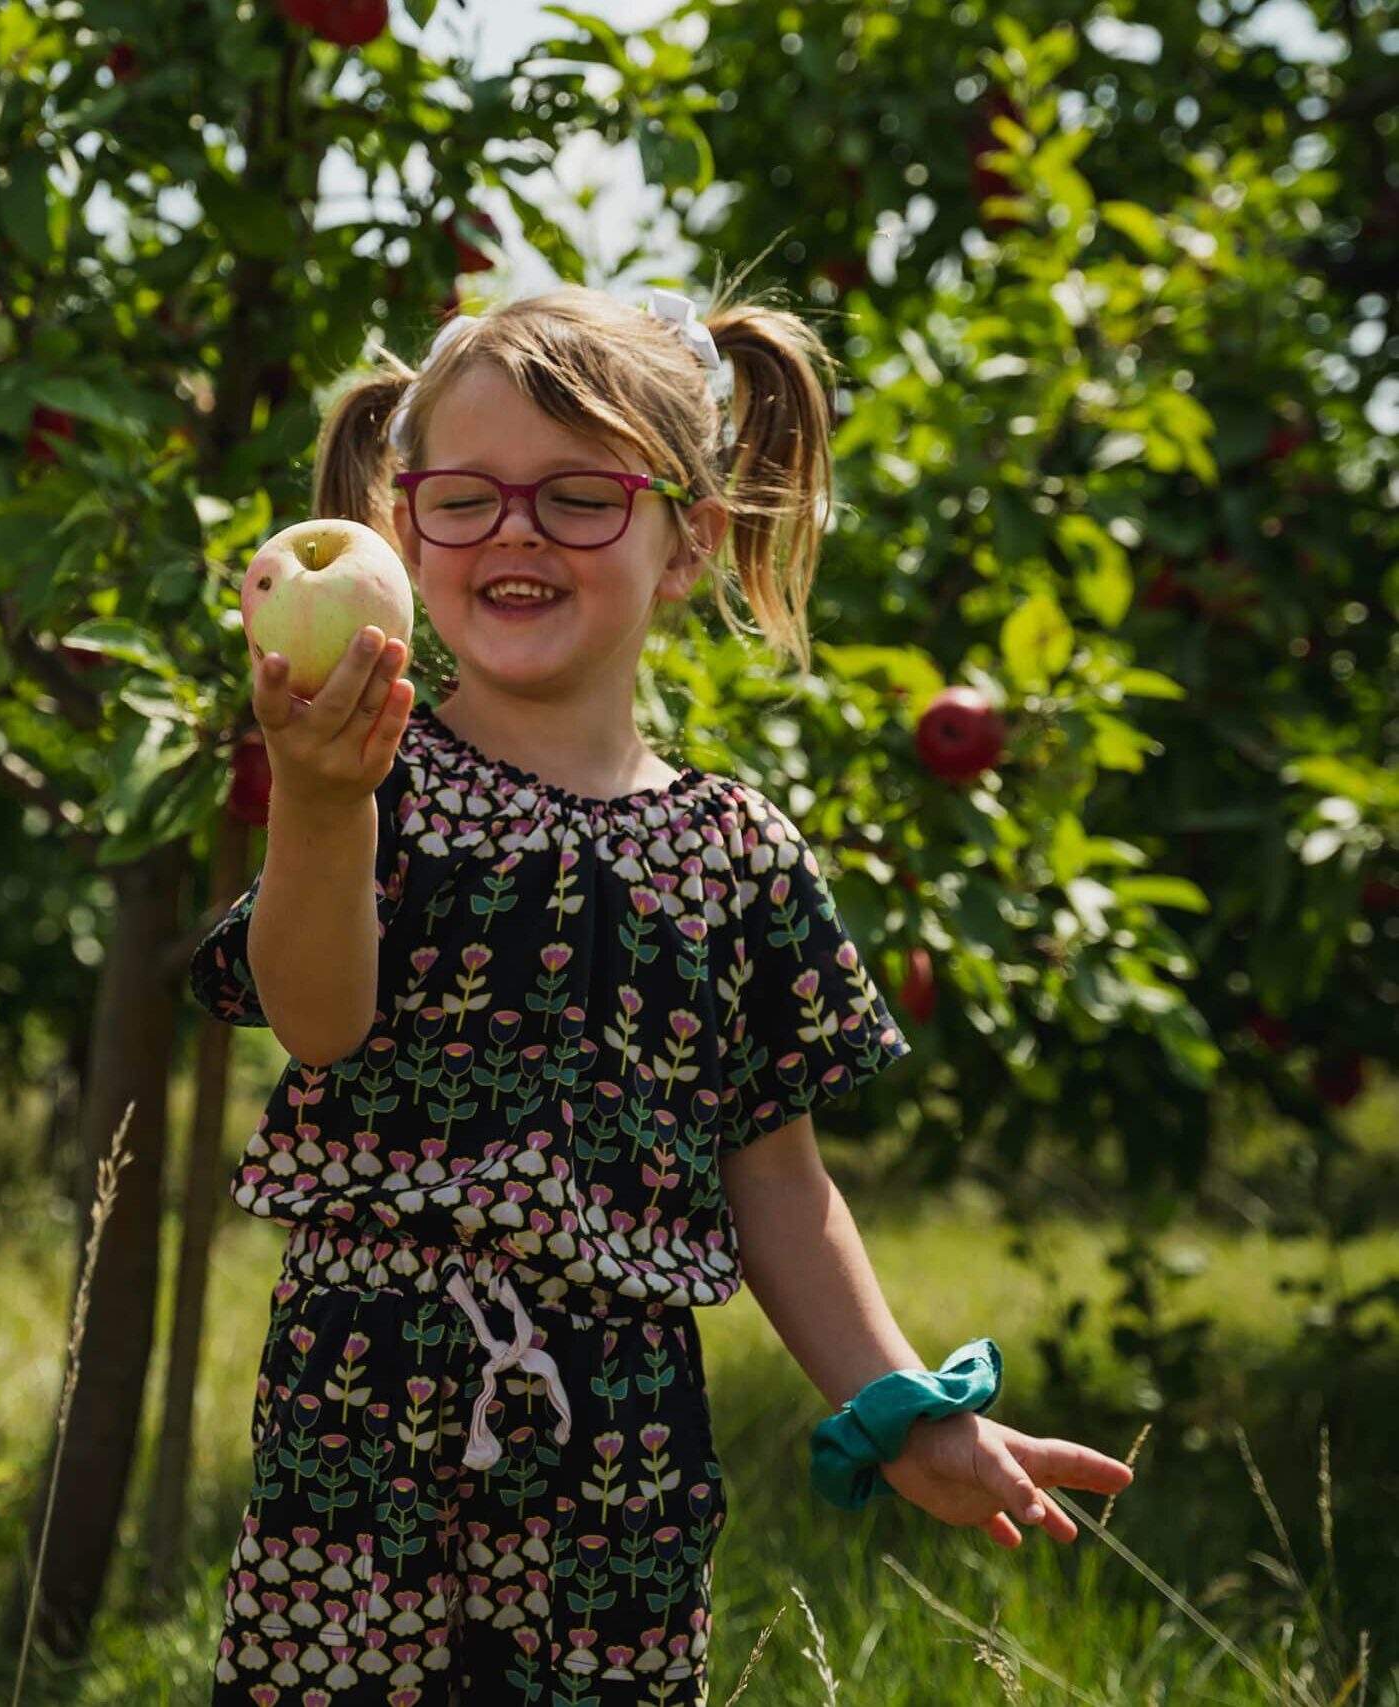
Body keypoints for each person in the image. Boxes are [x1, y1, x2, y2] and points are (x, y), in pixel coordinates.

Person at [189, 285, 1133, 1706]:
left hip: (620, 1450)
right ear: (401, 525)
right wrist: (321, 809)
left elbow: (781, 1183)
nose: (516, 530)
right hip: (364, 1417)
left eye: (579, 496)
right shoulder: (381, 789)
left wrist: (900, 1409)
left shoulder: (736, 854)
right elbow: (319, 1022)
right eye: (468, 498)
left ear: (686, 538)